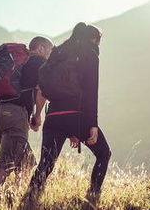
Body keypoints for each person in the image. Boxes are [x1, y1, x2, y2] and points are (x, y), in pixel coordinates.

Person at [20, 22, 111, 209]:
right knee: (103, 154)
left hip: (53, 116)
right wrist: (90, 123)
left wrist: (68, 128)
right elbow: (90, 91)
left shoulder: (58, 52)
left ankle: (28, 201)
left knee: (46, 164)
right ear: (93, 38)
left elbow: (46, 86)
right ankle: (91, 200)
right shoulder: (89, 53)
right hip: (77, 115)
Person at [0, 36, 54, 210]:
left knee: (26, 163)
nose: (50, 54)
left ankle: (13, 202)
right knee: (6, 164)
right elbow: (41, 92)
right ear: (40, 48)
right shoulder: (38, 62)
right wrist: (37, 116)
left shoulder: (19, 62)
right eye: (50, 50)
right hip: (15, 115)